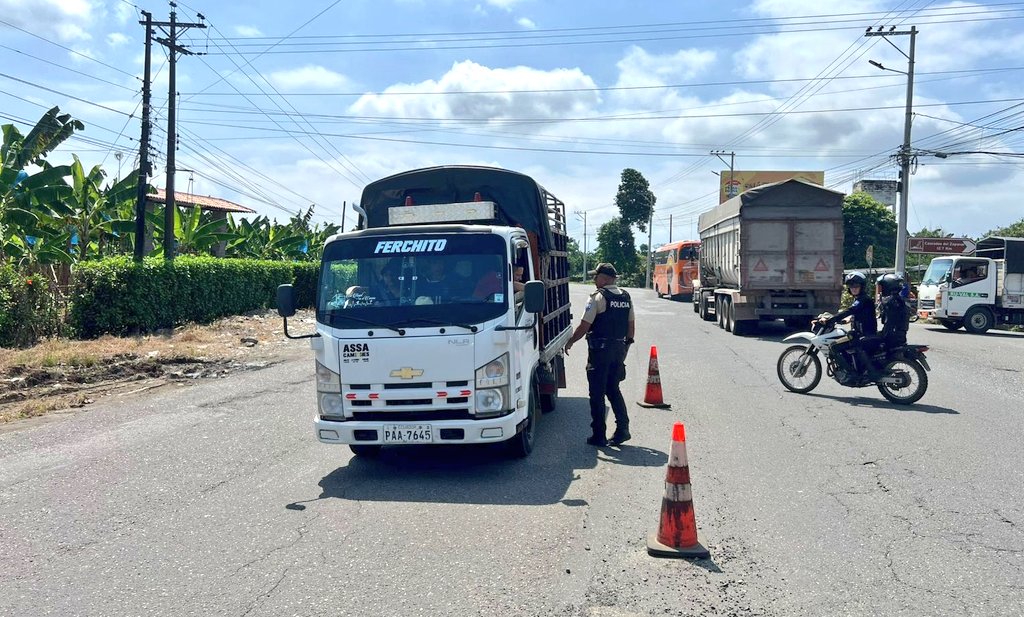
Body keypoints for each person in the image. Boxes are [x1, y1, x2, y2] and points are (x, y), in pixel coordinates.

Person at [565, 263, 635, 447]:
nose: (594, 280)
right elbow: (631, 328)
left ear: (604, 278)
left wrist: (571, 341)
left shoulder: (597, 297)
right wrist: (624, 350)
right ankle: (623, 429)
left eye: (596, 277)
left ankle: (599, 435)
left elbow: (584, 326)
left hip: (600, 352)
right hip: (619, 350)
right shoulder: (626, 297)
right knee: (613, 389)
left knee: (597, 393)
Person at [818, 271, 876, 375]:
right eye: (851, 286)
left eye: (856, 286)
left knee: (833, 346)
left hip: (863, 335)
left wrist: (830, 320)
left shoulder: (863, 300)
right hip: (862, 333)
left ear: (862, 286)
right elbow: (857, 314)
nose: (853, 288)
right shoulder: (861, 299)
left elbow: (849, 311)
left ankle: (850, 373)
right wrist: (845, 320)